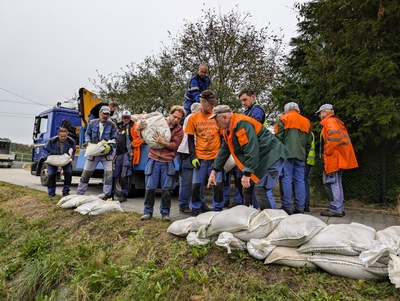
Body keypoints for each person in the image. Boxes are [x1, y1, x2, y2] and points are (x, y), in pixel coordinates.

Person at [208, 105, 287, 210]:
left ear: (224, 118)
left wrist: (247, 173)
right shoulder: (228, 130)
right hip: (262, 159)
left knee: (261, 189)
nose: (216, 124)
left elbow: (251, 149)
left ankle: (271, 221)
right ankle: (254, 215)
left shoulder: (241, 124)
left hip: (272, 156)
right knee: (247, 189)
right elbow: (224, 151)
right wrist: (214, 170)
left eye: (217, 121)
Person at [140, 106, 185, 221]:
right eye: (174, 116)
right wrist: (140, 129)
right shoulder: (158, 122)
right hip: (153, 159)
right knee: (150, 187)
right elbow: (146, 135)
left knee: (166, 189)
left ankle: (165, 213)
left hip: (167, 162)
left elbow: (174, 147)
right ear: (170, 114)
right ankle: (147, 212)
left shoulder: (179, 131)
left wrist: (163, 142)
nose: (176, 120)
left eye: (179, 118)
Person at [185, 90, 224, 216]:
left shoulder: (216, 117)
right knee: (196, 185)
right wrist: (193, 156)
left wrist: (221, 157)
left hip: (215, 158)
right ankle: (196, 208)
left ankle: (218, 209)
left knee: (217, 185)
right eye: (210, 105)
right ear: (202, 102)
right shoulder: (193, 118)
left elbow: (223, 138)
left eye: (213, 105)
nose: (212, 107)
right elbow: (190, 139)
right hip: (200, 158)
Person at [316, 104, 358, 217]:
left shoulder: (329, 122)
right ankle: (339, 207)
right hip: (338, 158)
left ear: (325, 112)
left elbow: (333, 139)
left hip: (333, 158)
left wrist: (327, 153)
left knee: (332, 183)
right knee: (337, 183)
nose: (319, 115)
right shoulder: (336, 121)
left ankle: (336, 208)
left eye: (320, 113)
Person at [274, 102, 311, 215]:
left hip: (286, 154)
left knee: (286, 179)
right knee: (300, 180)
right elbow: (308, 141)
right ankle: (300, 207)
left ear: (286, 109)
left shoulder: (283, 118)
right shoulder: (306, 121)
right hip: (301, 154)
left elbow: (277, 138)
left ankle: (286, 206)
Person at [77, 106, 118, 198]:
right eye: (104, 113)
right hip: (93, 153)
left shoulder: (112, 125)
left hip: (106, 154)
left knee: (109, 174)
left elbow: (115, 139)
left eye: (108, 114)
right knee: (86, 173)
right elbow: (87, 134)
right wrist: (87, 142)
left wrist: (109, 146)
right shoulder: (92, 123)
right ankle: (80, 193)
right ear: (100, 113)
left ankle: (106, 195)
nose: (106, 116)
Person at [176, 102, 202, 214]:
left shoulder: (192, 118)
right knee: (187, 181)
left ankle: (199, 203)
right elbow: (194, 137)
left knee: (197, 181)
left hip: (193, 153)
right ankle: (183, 204)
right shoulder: (192, 118)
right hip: (187, 154)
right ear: (197, 110)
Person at [43, 127, 76, 197]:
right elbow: (45, 150)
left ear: (67, 135)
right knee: (51, 174)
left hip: (65, 159)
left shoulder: (71, 141)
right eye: (62, 136)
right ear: (58, 135)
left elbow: (73, 151)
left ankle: (65, 192)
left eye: (65, 136)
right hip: (54, 159)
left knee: (68, 173)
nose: (63, 138)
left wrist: (71, 157)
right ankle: (51, 193)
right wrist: (46, 157)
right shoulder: (52, 141)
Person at [111, 110, 135, 203]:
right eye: (124, 117)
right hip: (118, 154)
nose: (126, 119)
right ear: (122, 118)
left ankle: (124, 195)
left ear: (130, 118)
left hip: (127, 154)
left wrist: (132, 146)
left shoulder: (132, 126)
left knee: (125, 174)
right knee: (115, 174)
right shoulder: (119, 126)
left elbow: (138, 138)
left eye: (127, 117)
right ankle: (111, 194)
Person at [304, 132, 316, 212]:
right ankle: (305, 204)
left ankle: (305, 204)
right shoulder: (311, 133)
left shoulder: (306, 133)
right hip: (309, 161)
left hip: (305, 160)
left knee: (302, 181)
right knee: (304, 181)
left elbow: (306, 147)